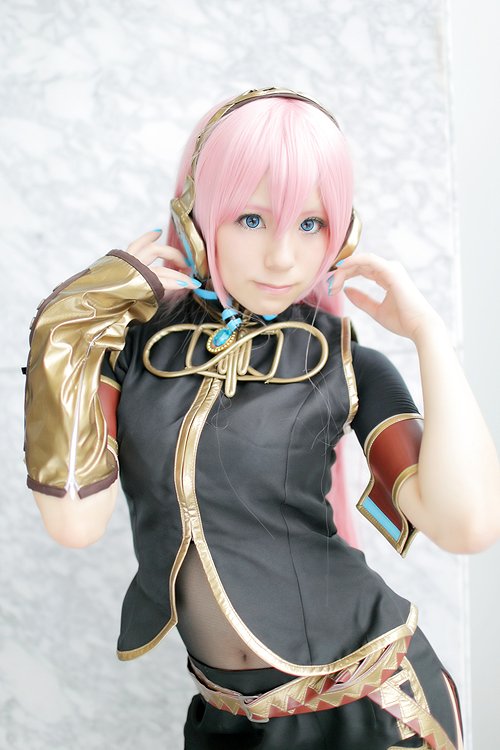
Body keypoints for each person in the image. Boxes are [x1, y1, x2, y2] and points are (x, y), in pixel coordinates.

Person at [24, 88, 500, 749]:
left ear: (343, 233)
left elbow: (467, 526)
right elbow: (75, 522)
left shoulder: (342, 359)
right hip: (230, 719)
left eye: (311, 224)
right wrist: (71, 320)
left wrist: (429, 334)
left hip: (374, 703)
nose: (282, 257)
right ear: (196, 218)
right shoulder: (132, 351)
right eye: (252, 218)